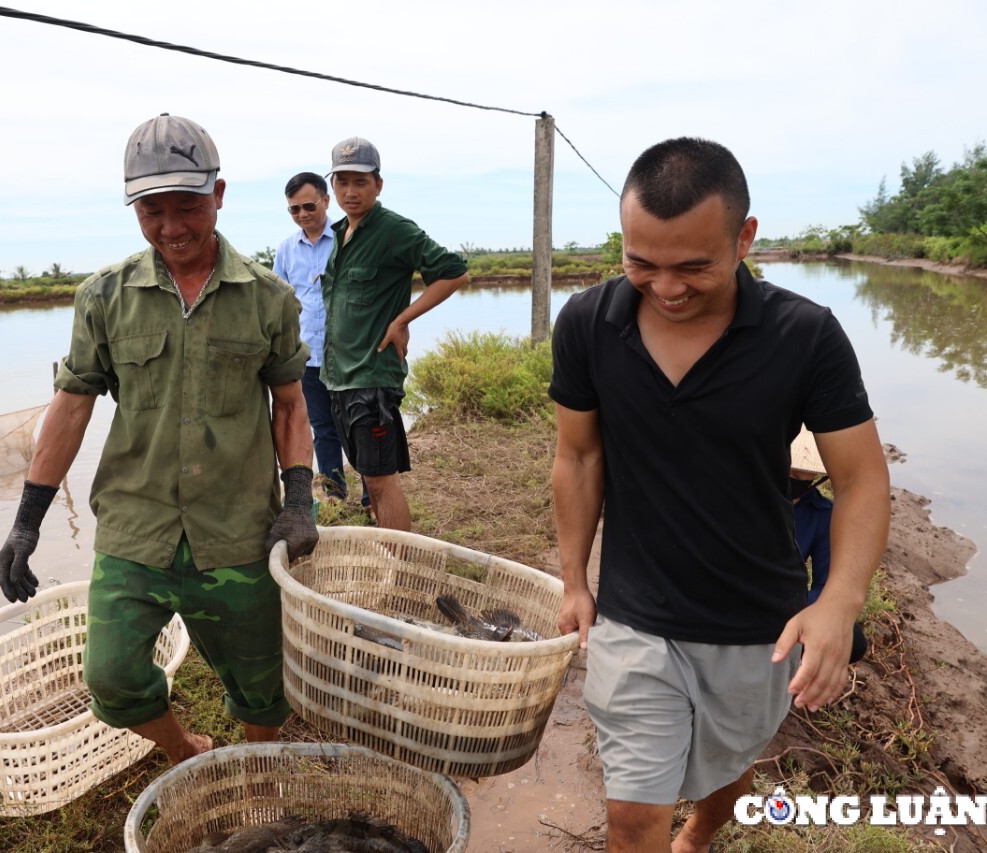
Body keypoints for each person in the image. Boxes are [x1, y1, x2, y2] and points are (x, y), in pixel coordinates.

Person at [549, 137, 891, 852]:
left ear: (745, 238)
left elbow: (861, 477)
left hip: (756, 618)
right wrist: (575, 578)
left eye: (693, 266)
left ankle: (703, 829)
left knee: (728, 768)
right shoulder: (587, 324)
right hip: (635, 612)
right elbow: (578, 457)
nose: (666, 287)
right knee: (633, 816)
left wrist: (837, 602)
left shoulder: (806, 336)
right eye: (642, 262)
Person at [0, 113, 318, 767]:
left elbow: (289, 405)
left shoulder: (269, 298)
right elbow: (71, 406)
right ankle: (183, 750)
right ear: (135, 208)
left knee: (263, 688)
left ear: (219, 195)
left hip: (237, 528)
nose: (171, 226)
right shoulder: (104, 297)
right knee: (110, 678)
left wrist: (300, 498)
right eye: (151, 210)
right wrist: (27, 521)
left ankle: (257, 768)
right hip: (136, 529)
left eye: (187, 207)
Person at [321, 137, 469, 530]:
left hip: (372, 380)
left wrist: (403, 319)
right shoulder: (340, 233)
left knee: (381, 482)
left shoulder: (393, 230)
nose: (351, 192)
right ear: (332, 185)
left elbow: (454, 272)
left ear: (378, 185)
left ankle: (402, 571)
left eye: (361, 182)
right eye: (343, 182)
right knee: (370, 477)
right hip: (340, 378)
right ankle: (394, 559)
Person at [271, 171, 368, 511]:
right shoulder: (285, 250)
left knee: (359, 428)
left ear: (326, 201)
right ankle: (334, 496)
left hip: (348, 356)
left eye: (308, 206)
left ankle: (373, 497)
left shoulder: (350, 239)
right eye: (294, 210)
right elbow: (278, 304)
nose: (302, 215)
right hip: (307, 358)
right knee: (323, 429)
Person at [790, 428, 869, 664]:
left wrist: (795, 606)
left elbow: (826, 585)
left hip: (784, 601)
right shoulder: (742, 496)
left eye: (807, 479)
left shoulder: (821, 514)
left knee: (852, 641)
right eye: (792, 475)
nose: (797, 488)